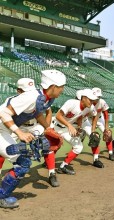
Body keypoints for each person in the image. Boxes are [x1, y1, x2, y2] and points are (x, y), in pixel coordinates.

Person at [0, 70, 66, 209]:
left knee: (23, 162)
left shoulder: (44, 98)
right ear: (53, 86)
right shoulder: (31, 96)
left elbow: (37, 113)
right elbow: (3, 112)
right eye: (61, 86)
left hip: (4, 130)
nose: (63, 89)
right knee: (23, 163)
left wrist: (48, 128)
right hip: (2, 130)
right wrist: (19, 133)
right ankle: (2, 197)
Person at [53, 88, 103, 175]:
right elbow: (58, 116)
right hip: (55, 126)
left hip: (65, 129)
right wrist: (70, 125)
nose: (92, 102)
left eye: (93, 100)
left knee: (78, 147)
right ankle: (48, 162)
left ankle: (62, 167)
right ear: (83, 98)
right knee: (52, 147)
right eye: (90, 100)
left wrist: (79, 127)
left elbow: (80, 116)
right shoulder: (71, 102)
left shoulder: (89, 107)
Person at [90, 87, 114, 161]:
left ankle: (111, 153)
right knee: (93, 137)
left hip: (99, 119)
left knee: (108, 134)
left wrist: (106, 127)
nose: (98, 97)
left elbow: (106, 114)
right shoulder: (89, 102)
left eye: (99, 96)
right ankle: (95, 157)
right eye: (96, 96)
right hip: (89, 120)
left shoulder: (102, 102)